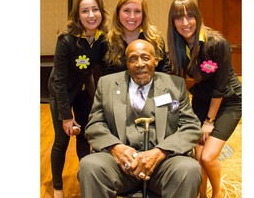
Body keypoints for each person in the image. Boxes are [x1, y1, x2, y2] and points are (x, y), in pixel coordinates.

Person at [78, 39, 202, 198]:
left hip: (162, 165)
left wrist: (160, 152)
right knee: (90, 166)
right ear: (126, 63)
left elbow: (191, 126)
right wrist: (116, 148)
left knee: (189, 169)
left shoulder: (174, 85)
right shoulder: (107, 84)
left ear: (155, 60)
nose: (139, 64)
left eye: (145, 57)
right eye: (133, 59)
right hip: (120, 166)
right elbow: (95, 124)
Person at [167, 0, 242, 198]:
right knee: (197, 156)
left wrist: (209, 121)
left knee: (208, 157)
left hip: (228, 101)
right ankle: (201, 195)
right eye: (179, 18)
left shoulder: (216, 44)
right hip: (201, 102)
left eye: (190, 16)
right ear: (173, 22)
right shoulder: (178, 48)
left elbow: (220, 86)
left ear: (198, 17)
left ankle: (217, 194)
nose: (185, 23)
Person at [47, 0, 109, 198]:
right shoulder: (66, 40)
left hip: (84, 89)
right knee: (62, 139)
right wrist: (66, 116)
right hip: (61, 91)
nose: (91, 15)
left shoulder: (102, 38)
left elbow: (103, 67)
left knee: (84, 134)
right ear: (78, 15)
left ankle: (86, 177)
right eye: (85, 11)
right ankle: (57, 187)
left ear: (101, 12)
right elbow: (60, 81)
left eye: (95, 9)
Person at [103, 0, 170, 75]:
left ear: (143, 15)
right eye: (126, 11)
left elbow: (163, 75)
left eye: (137, 11)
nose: (132, 16)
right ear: (118, 13)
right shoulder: (107, 42)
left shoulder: (156, 41)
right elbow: (105, 79)